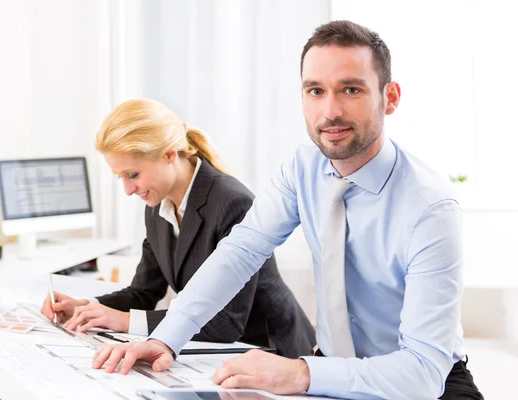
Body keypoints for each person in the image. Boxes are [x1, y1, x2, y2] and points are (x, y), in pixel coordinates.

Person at [90, 21, 484, 399]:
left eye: (350, 90)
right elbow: (241, 251)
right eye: (315, 90)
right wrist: (165, 338)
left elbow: (422, 374)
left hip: (423, 385)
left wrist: (300, 372)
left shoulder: (431, 209)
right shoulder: (302, 167)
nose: (330, 111)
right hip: (331, 372)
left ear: (390, 97)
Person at [40, 98, 316, 359]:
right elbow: (143, 292)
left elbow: (227, 323)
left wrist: (124, 321)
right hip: (223, 353)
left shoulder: (232, 202)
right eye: (120, 177)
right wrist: (86, 307)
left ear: (169, 155)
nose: (127, 189)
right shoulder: (158, 204)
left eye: (132, 174)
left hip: (270, 350)